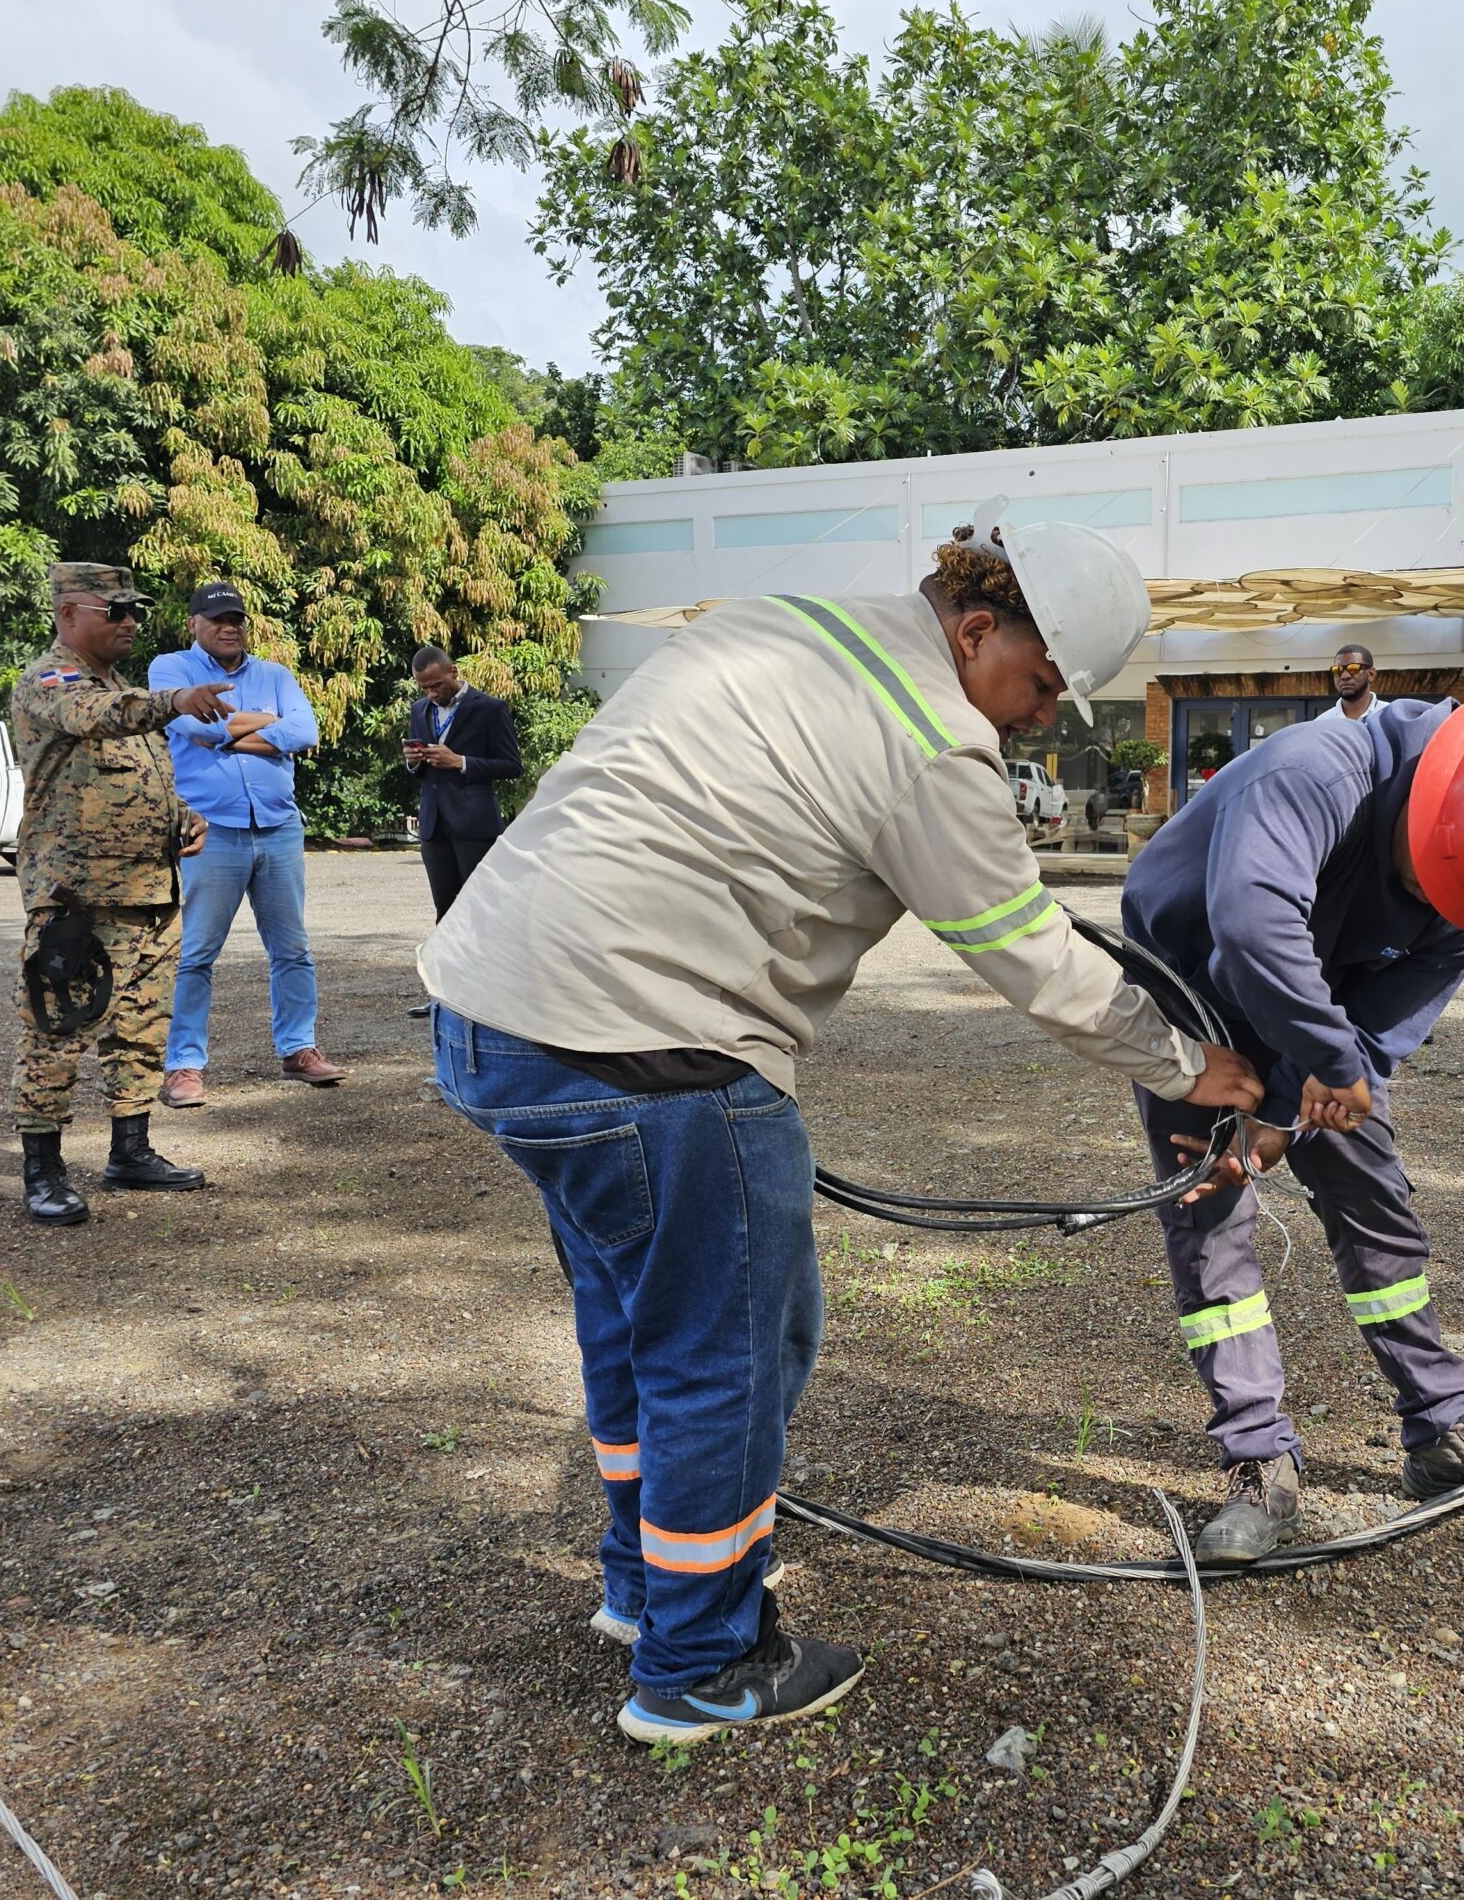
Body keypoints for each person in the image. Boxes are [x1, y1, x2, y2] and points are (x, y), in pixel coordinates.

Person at [416, 503, 1264, 1744]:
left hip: (493, 1016)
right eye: (1036, 684)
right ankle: (701, 1663)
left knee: (634, 1315)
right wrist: (1194, 1067)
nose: (1035, 715)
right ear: (977, 629)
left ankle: (643, 1591)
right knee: (728, 1352)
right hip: (653, 1050)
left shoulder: (779, 624)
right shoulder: (932, 740)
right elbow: (1037, 962)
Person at [1123, 693, 1464, 1563]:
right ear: (1431, 802)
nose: (1437, 901)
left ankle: (1444, 1436)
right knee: (1211, 1217)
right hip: (1194, 994)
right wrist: (1309, 1073)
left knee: (1376, 1209)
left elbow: (1380, 1029)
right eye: (1430, 878)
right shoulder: (1311, 772)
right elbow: (1251, 930)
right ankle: (1257, 1458)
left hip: (1325, 1017)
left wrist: (1293, 1106)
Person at [12, 563, 233, 1225]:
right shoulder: (52, 681)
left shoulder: (121, 689)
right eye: (117, 611)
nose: (131, 622)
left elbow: (138, 774)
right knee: (56, 1029)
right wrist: (175, 701)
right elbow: (99, 718)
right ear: (71, 612)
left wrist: (183, 818)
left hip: (147, 890)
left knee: (140, 1027)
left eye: (135, 610)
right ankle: (42, 1168)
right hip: (77, 895)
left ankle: (130, 1150)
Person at [148, 581, 346, 1105]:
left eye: (236, 618)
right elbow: (194, 726)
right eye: (216, 619)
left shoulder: (274, 673)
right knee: (195, 953)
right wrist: (269, 724)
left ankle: (299, 1048)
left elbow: (306, 732)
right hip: (208, 830)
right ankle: (184, 1066)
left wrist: (237, 728)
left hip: (279, 827)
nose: (229, 626)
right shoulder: (171, 670)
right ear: (194, 624)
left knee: (293, 949)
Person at [406, 645, 522, 919]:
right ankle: (443, 963)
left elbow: (512, 766)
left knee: (481, 909)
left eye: (436, 685)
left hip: (475, 825)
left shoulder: (490, 709)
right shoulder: (419, 710)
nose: (431, 694)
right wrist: (413, 761)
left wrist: (461, 762)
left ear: (454, 671)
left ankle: (487, 962)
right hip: (434, 826)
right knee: (445, 911)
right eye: (424, 688)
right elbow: (420, 772)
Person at [1323, 643, 1387, 728]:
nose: (1345, 676)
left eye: (1353, 668)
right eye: (1337, 670)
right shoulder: (1321, 724)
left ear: (1371, 674)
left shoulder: (1391, 717)